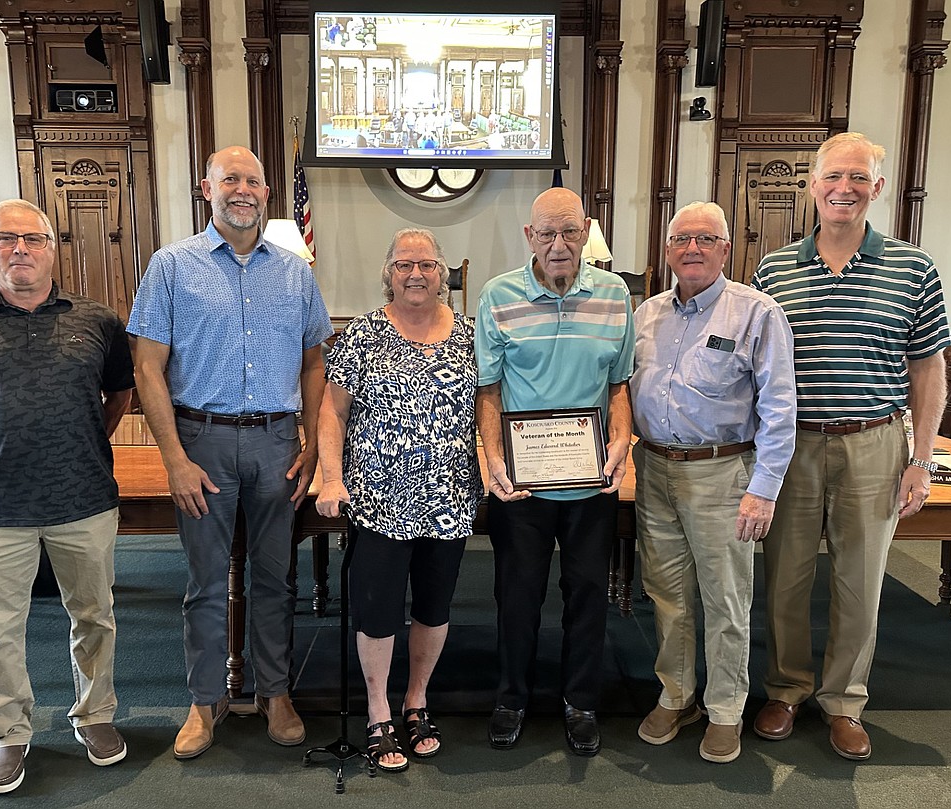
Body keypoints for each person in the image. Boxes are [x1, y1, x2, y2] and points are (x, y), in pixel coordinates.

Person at [128, 146, 333, 759]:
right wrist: (173, 458)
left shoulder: (294, 272)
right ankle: (203, 699)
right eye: (231, 180)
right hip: (202, 442)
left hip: (276, 442)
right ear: (207, 188)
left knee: (276, 577)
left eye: (254, 181)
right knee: (205, 581)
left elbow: (316, 358)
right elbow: (147, 366)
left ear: (268, 193)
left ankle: (275, 692)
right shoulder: (171, 266)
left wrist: (311, 446)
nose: (243, 190)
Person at [0, 199, 134, 794]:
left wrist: (75, 442)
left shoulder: (98, 320)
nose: (20, 249)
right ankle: (8, 735)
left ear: (52, 246)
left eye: (33, 239)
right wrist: (5, 451)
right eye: (5, 238)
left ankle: (94, 717)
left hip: (84, 498)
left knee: (94, 617)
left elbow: (117, 397)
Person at [751, 132, 950, 760]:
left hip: (874, 443)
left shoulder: (914, 269)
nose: (845, 189)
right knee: (784, 578)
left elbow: (929, 370)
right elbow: (758, 371)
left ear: (878, 188)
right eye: (834, 176)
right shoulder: (774, 269)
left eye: (859, 178)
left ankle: (844, 701)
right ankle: (785, 689)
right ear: (812, 185)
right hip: (793, 449)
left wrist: (921, 459)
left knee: (860, 581)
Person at [630, 202, 796, 763]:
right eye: (682, 239)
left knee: (726, 598)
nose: (693, 248)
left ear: (727, 248)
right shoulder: (647, 313)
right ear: (668, 249)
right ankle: (678, 695)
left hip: (723, 473)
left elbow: (780, 408)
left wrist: (764, 488)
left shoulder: (756, 313)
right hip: (654, 470)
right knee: (667, 594)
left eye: (706, 239)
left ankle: (726, 708)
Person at [475, 186, 635, 757]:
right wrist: (491, 458)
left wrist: (621, 437)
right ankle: (511, 698)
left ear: (587, 230)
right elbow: (488, 390)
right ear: (530, 238)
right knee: (516, 597)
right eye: (547, 233)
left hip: (590, 482)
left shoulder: (615, 295)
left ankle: (581, 703)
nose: (559, 244)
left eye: (570, 231)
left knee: (587, 595)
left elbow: (619, 384)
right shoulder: (497, 297)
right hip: (522, 485)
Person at [316, 229, 483, 772]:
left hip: (450, 499)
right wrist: (332, 478)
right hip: (380, 501)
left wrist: (496, 465)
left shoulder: (470, 334)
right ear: (388, 272)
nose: (417, 274)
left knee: (434, 608)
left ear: (444, 274)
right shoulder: (363, 335)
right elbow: (331, 412)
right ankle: (378, 712)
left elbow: (486, 410)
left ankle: (416, 701)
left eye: (428, 265)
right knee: (379, 611)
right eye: (405, 264)